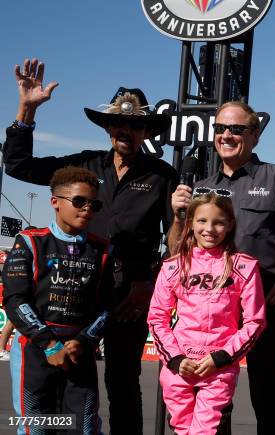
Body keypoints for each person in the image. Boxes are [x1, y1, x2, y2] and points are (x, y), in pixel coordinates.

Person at [2, 58, 178, 434]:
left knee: (122, 385)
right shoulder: (83, 167)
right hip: (77, 297)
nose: (125, 130)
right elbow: (16, 166)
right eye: (117, 122)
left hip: (129, 298)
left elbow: (176, 240)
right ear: (107, 127)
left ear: (145, 129)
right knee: (59, 385)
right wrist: (26, 111)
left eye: (134, 124)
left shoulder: (162, 175)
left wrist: (149, 285)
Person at [169, 101, 275, 434]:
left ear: (254, 135)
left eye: (236, 129)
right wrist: (179, 214)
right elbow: (177, 251)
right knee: (211, 395)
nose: (226, 135)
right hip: (209, 311)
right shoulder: (201, 188)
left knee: (266, 389)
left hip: (266, 303)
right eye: (220, 128)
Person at [2, 166, 113, 435]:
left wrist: (85, 340)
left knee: (84, 427)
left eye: (93, 204)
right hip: (35, 350)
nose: (87, 209)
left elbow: (107, 305)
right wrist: (49, 344)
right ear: (55, 202)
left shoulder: (103, 250)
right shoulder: (29, 242)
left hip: (80, 351)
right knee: (36, 427)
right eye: (79, 201)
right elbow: (15, 300)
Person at [148, 193, 266, 435]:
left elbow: (255, 322)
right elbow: (157, 317)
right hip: (179, 366)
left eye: (219, 222)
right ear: (190, 221)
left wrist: (221, 358)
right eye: (202, 221)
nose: (209, 229)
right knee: (182, 430)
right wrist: (176, 359)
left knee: (205, 432)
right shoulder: (173, 266)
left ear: (230, 224)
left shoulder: (244, 266)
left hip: (218, 368)